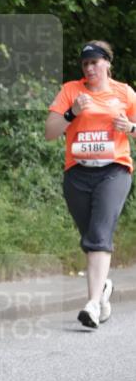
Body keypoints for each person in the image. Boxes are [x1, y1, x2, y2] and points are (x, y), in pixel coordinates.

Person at [45, 41, 136, 328]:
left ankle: (92, 305)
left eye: (95, 62)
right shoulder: (71, 90)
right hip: (78, 174)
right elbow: (49, 132)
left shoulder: (124, 92)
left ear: (108, 63)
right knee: (90, 238)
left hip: (114, 171)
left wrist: (131, 128)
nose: (90, 68)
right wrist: (71, 113)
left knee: (98, 236)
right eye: (85, 63)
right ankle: (103, 289)